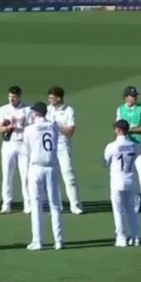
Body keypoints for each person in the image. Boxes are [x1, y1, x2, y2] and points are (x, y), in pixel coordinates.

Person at [24, 101, 63, 250]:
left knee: (36, 205)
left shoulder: (29, 129)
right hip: (51, 167)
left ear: (35, 113)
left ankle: (37, 241)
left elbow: (28, 148)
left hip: (36, 167)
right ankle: (58, 241)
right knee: (55, 205)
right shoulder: (53, 126)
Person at [103, 120, 141, 247]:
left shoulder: (111, 146)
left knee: (118, 210)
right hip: (130, 179)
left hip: (116, 181)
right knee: (131, 210)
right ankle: (136, 237)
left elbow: (105, 163)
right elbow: (140, 152)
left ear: (119, 130)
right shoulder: (134, 145)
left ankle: (121, 238)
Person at [46, 86, 83, 214]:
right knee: (52, 176)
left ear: (59, 98)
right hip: (50, 145)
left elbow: (70, 131)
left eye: (52, 97)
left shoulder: (68, 110)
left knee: (68, 173)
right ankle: (56, 204)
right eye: (49, 97)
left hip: (62, 144)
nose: (50, 99)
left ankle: (75, 204)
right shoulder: (48, 110)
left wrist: (56, 128)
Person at [116, 86, 141, 212]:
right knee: (127, 175)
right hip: (126, 147)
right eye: (132, 96)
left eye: (135, 95)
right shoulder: (120, 110)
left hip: (140, 146)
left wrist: (131, 130)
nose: (134, 98)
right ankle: (133, 201)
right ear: (126, 97)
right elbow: (118, 129)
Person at [0, 85, 31, 214]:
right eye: (10, 96)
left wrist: (20, 126)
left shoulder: (27, 109)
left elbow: (31, 127)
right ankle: (6, 203)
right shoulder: (3, 109)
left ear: (20, 97)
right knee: (7, 174)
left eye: (14, 97)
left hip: (23, 144)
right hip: (8, 144)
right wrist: (9, 127)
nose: (12, 99)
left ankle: (27, 203)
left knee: (26, 175)